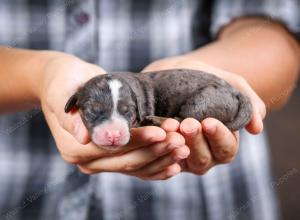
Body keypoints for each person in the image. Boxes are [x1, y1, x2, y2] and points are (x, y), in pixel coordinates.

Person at [0, 0, 299, 220]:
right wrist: (39, 76)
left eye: (125, 113)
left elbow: (271, 33)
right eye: (97, 113)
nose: (115, 130)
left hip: (203, 201)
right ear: (73, 105)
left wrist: (211, 74)